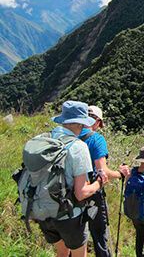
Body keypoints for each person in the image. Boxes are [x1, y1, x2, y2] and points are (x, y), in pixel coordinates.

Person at [37, 100, 109, 257]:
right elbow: (81, 193)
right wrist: (99, 183)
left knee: (62, 252)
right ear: (82, 122)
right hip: (67, 214)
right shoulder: (78, 147)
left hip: (42, 211)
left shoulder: (43, 139)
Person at [78, 105, 130, 257]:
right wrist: (120, 173)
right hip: (93, 192)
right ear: (97, 122)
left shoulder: (69, 136)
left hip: (70, 192)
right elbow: (103, 171)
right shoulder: (96, 139)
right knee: (99, 235)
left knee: (76, 238)